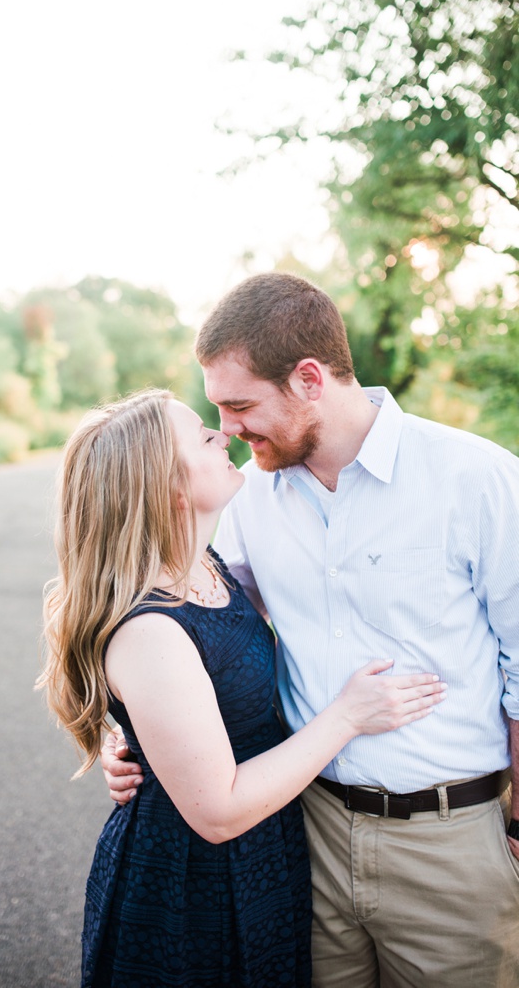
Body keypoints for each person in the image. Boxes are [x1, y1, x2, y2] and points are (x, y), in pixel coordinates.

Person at [101, 273, 519, 986]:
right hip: (304, 836)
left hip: (453, 844)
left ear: (309, 379)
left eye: (239, 405)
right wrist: (136, 733)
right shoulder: (250, 499)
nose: (228, 429)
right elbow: (202, 629)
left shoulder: (475, 478)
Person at [41, 388, 445, 987]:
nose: (222, 435)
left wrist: (129, 739)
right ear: (168, 489)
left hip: (263, 857)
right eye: (203, 436)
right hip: (192, 884)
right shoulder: (150, 629)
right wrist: (347, 717)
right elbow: (220, 811)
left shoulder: (203, 564)